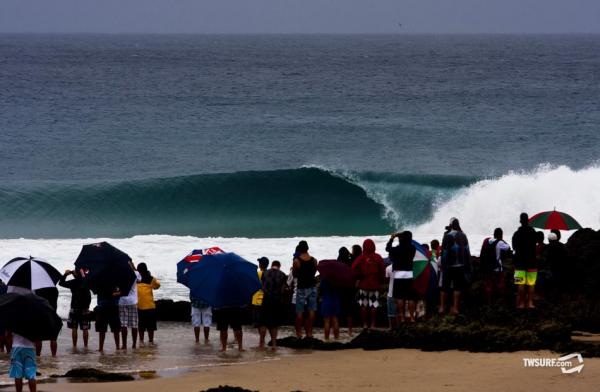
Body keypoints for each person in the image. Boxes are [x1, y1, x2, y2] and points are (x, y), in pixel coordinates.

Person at [352, 239, 385, 329]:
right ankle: (373, 324)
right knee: (374, 305)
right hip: (375, 285)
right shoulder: (378, 257)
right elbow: (382, 271)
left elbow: (353, 268)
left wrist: (359, 275)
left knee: (363, 305)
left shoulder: (361, 257)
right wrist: (382, 282)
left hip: (363, 285)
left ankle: (365, 324)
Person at [440, 218, 471, 315]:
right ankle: (456, 309)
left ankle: (442, 307)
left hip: (449, 266)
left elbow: (444, 252)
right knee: (457, 287)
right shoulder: (463, 235)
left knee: (444, 287)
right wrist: (468, 266)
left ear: (451, 225)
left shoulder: (447, 236)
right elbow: (467, 251)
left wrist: (443, 265)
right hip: (460, 266)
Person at [387, 231, 417, 323]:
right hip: (409, 274)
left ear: (401, 239)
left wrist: (392, 238)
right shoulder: (413, 248)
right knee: (410, 298)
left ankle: (402, 317)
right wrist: (402, 236)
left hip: (399, 274)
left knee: (400, 297)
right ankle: (412, 318)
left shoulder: (397, 249)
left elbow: (387, 248)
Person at [59, 269, 92, 349]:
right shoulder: (86, 281)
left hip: (75, 307)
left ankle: (74, 346)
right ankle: (85, 346)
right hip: (85, 308)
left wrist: (66, 274)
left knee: (74, 328)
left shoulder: (73, 282)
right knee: (85, 328)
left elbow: (61, 283)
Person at [259, 260, 288, 350]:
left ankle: (261, 343)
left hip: (266, 300)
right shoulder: (282, 275)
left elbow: (263, 286)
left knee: (263, 322)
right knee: (274, 324)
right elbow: (283, 290)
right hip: (276, 301)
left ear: (272, 265)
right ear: (279, 266)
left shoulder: (265, 273)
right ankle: (274, 344)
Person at [512, 213, 538, 309]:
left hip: (520, 263)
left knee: (520, 284)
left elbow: (514, 247)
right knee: (531, 284)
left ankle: (521, 304)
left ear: (520, 221)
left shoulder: (516, 234)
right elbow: (535, 245)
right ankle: (530, 303)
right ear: (528, 221)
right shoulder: (533, 232)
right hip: (532, 262)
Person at [292, 241, 318, 338]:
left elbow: (294, 274)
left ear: (299, 249)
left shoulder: (296, 261)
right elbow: (314, 272)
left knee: (300, 312)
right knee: (311, 310)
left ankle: (299, 334)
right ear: (307, 249)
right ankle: (309, 333)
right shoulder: (314, 260)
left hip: (301, 287)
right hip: (312, 286)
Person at [479, 228, 511, 305]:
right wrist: (502, 240)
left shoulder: (486, 240)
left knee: (488, 285)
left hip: (486, 267)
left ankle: (489, 302)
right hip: (496, 268)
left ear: (494, 234)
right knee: (499, 284)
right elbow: (508, 247)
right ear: (501, 235)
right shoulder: (500, 242)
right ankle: (500, 301)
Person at [136, 263, 161, 345]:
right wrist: (153, 278)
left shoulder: (137, 279)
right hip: (150, 306)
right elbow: (157, 286)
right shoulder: (150, 278)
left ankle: (141, 341)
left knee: (141, 326)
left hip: (140, 306)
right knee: (151, 327)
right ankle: (151, 341)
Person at [119, 261, 141, 349]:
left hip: (122, 301)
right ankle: (134, 344)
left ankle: (124, 345)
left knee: (123, 324)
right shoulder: (136, 273)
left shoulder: (119, 273)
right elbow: (139, 281)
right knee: (134, 324)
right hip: (132, 301)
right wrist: (134, 268)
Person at [33, 287, 59, 357]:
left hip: (40, 314)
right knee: (53, 338)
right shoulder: (55, 289)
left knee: (38, 338)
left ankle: (38, 356)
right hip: (52, 315)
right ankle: (54, 356)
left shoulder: (38, 290)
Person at [319, 262, 341, 341]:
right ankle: (337, 338)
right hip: (335, 300)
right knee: (335, 320)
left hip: (326, 300)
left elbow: (321, 289)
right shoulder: (337, 278)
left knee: (327, 321)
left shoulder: (324, 278)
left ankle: (327, 339)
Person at [543, 230, 568, 299]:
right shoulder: (563, 247)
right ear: (559, 237)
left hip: (552, 270)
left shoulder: (548, 248)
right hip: (562, 271)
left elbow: (546, 259)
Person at [95, 286, 121, 352]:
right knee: (116, 329)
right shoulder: (116, 283)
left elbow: (98, 292)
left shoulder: (100, 283)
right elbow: (120, 293)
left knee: (102, 330)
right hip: (113, 306)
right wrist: (115, 294)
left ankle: (101, 348)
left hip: (103, 306)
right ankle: (117, 347)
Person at [337, 246, 355, 336]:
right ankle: (350, 331)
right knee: (349, 310)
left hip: (340, 288)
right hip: (350, 288)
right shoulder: (350, 262)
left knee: (339, 309)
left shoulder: (338, 263)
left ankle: (338, 330)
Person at [252, 257, 269, 348]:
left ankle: (261, 342)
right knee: (264, 322)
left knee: (260, 323)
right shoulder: (269, 274)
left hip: (258, 300)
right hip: (266, 299)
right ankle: (262, 341)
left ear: (260, 265)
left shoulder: (258, 274)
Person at [384, 264, 398, 329]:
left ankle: (391, 327)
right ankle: (399, 328)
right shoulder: (405, 268)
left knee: (390, 313)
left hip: (391, 292)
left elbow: (386, 280)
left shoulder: (388, 268)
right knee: (399, 313)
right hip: (400, 293)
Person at [0, 279, 6, 353]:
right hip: (7, 310)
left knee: (1, 333)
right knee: (6, 333)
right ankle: (8, 351)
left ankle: (1, 350)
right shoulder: (6, 287)